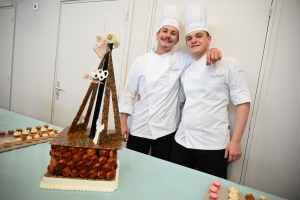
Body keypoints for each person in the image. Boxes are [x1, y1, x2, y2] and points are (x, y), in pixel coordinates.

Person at [119, 5, 221, 161]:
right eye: (165, 31)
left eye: (173, 33)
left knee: (162, 171)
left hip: (166, 130)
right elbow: (128, 93)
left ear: (177, 40)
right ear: (157, 34)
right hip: (139, 127)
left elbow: (200, 55)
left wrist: (213, 49)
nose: (168, 36)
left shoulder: (182, 58)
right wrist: (123, 122)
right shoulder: (140, 61)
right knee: (132, 166)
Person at [171, 3, 251, 179]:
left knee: (214, 191)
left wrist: (236, 141)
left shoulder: (229, 63)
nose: (194, 40)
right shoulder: (185, 66)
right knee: (176, 186)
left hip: (214, 145)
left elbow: (243, 102)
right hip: (183, 140)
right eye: (190, 38)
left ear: (209, 38)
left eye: (199, 35)